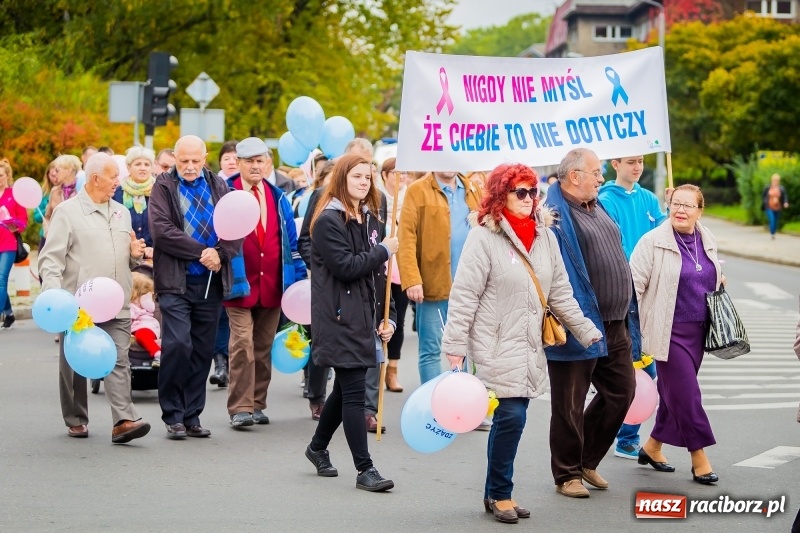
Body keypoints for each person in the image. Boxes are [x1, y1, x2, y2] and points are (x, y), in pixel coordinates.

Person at [442, 163, 602, 524]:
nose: (530, 199)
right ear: (501, 195)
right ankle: (501, 493)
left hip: (530, 342)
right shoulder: (483, 237)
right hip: (496, 341)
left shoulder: (546, 236)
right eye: (521, 192)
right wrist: (455, 344)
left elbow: (560, 290)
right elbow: (465, 294)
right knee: (511, 414)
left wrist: (586, 329)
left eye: (534, 191)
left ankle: (493, 491)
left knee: (513, 416)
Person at [544, 148, 639, 498]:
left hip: (615, 322)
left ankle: (586, 459)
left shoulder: (595, 205)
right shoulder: (553, 216)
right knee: (569, 402)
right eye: (596, 172)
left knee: (622, 391)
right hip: (578, 321)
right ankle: (566, 474)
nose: (601, 178)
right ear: (574, 176)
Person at [39, 152, 151, 443]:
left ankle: (124, 420)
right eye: (114, 176)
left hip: (117, 300)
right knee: (76, 362)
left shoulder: (121, 211)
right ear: (95, 178)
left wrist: (134, 256)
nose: (118, 181)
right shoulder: (67, 211)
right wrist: (54, 296)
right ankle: (76, 418)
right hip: (79, 303)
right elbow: (50, 259)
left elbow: (124, 258)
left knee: (119, 358)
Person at [303, 154, 397, 492]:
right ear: (341, 178)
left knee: (345, 390)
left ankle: (316, 448)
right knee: (354, 390)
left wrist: (389, 318)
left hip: (364, 317)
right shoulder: (328, 220)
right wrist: (384, 250)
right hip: (338, 318)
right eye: (356, 176)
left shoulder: (370, 219)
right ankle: (365, 469)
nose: (363, 182)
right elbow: (346, 266)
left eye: (368, 178)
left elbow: (378, 275)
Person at [149, 135, 241, 440]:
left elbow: (236, 229)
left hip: (210, 282)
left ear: (205, 158)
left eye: (195, 160)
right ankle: (172, 414)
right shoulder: (163, 186)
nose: (189, 166)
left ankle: (191, 416)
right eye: (183, 160)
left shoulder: (219, 186)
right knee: (178, 345)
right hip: (176, 280)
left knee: (202, 350)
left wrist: (221, 252)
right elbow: (162, 232)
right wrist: (201, 251)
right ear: (175, 157)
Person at [630, 184, 723, 485]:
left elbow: (708, 274)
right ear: (668, 205)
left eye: (688, 205)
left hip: (698, 331)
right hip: (665, 330)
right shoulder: (653, 242)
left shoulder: (706, 238)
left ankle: (652, 446)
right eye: (675, 204)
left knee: (674, 395)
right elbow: (634, 287)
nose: (681, 210)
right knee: (687, 394)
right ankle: (699, 457)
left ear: (700, 210)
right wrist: (631, 329)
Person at [223, 138, 307, 428]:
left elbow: (290, 242)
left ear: (268, 163)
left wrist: (296, 279)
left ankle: (257, 403)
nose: (255, 166)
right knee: (242, 343)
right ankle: (240, 407)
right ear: (239, 163)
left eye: (260, 160)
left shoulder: (278, 196)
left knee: (262, 345)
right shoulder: (226, 192)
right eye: (249, 161)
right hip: (237, 282)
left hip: (272, 282)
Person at [598, 155, 666, 460]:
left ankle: (625, 433)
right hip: (626, 292)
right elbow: (616, 244)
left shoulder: (649, 199)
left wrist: (670, 209)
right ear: (615, 164)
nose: (636, 167)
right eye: (630, 162)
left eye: (640, 161)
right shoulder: (606, 199)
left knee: (645, 364)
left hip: (651, 293)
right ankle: (626, 437)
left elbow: (665, 235)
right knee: (637, 365)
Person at [397, 169, 482, 384]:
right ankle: (432, 408)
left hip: (472, 287)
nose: (448, 164)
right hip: (434, 284)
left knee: (472, 350)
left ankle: (466, 407)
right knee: (431, 350)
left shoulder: (472, 189)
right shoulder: (417, 190)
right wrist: (412, 279)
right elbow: (406, 238)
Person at [209, 140, 240, 387]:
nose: (231, 161)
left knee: (235, 313)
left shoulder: (245, 187)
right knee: (220, 314)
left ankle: (233, 362)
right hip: (216, 256)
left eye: (236, 157)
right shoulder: (214, 186)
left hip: (241, 258)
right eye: (227, 157)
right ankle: (220, 362)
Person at [379, 157, 412, 392]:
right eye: (395, 173)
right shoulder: (376, 200)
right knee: (378, 320)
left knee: (398, 321)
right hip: (380, 267)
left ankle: (392, 369)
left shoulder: (410, 201)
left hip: (402, 268)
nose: (401, 178)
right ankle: (377, 368)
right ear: (385, 175)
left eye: (406, 173)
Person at [113, 146, 156, 260]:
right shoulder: (116, 194)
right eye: (138, 164)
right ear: (128, 167)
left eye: (147, 164)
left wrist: (154, 247)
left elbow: (166, 224)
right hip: (124, 255)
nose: (143, 168)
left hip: (153, 257)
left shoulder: (160, 193)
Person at [0, 159, 27, 333]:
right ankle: (9, 314)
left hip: (8, 243)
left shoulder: (14, 194)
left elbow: (23, 221)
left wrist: (12, 223)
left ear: (7, 175)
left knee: (1, 278)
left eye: (1, 175)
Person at [130, 271, 161, 366]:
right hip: (134, 327)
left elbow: (150, 307)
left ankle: (157, 353)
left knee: (142, 335)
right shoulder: (127, 302)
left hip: (147, 326)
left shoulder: (144, 301)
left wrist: (146, 295)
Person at [44, 154, 82, 232]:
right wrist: (48, 232)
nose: (54, 173)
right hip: (58, 239)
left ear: (69, 171)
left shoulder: (82, 189)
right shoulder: (54, 191)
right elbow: (47, 217)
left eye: (57, 170)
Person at [33, 161, 60, 252]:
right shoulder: (43, 193)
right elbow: (36, 217)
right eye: (52, 175)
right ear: (47, 175)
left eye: (56, 174)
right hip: (46, 234)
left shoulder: (67, 190)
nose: (55, 178)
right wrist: (48, 208)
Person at [762, 173, 789, 239]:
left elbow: (785, 196)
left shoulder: (781, 188)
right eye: (774, 180)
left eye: (777, 180)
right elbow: (763, 195)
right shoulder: (768, 187)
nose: (775, 181)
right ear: (772, 180)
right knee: (772, 220)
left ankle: (772, 229)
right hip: (769, 207)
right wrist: (765, 202)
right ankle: (772, 233)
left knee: (775, 221)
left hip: (778, 207)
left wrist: (785, 202)